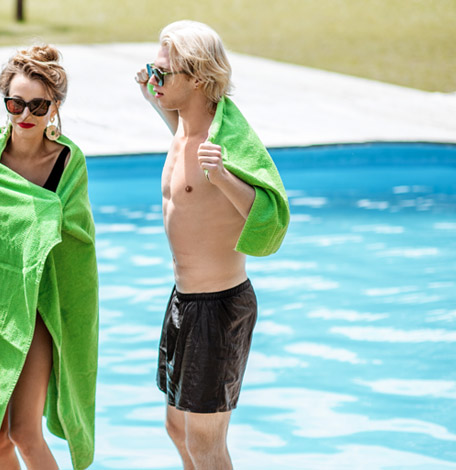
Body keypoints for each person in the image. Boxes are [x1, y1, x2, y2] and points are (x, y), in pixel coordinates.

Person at [135, 20, 290, 470]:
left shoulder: (223, 146)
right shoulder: (184, 132)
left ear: (198, 79)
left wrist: (222, 176)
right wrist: (155, 97)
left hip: (217, 306)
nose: (154, 78)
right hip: (183, 301)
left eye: (163, 73)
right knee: (176, 428)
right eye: (153, 69)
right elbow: (188, 153)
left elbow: (270, 215)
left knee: (205, 443)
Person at [0, 44, 99, 470]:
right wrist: (40, 217)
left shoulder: (68, 160)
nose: (25, 115)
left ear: (55, 107)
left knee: (25, 433)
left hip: (40, 305)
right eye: (15, 103)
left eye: (38, 105)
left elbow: (76, 236)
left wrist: (40, 219)